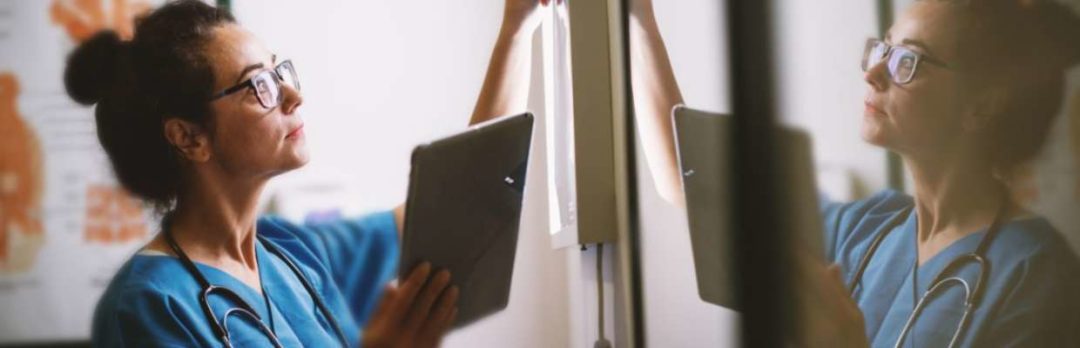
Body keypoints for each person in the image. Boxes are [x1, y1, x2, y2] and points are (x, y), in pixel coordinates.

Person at [64, 0, 550, 346]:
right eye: (258, 85)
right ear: (189, 137)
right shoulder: (148, 308)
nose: (293, 96)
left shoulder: (291, 254)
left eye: (279, 73)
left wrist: (517, 23)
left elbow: (459, 205)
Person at [630, 0, 1080, 346]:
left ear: (980, 105)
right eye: (884, 47)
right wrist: (639, 18)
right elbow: (689, 182)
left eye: (909, 60)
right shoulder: (869, 229)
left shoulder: (1035, 275)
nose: (874, 72)